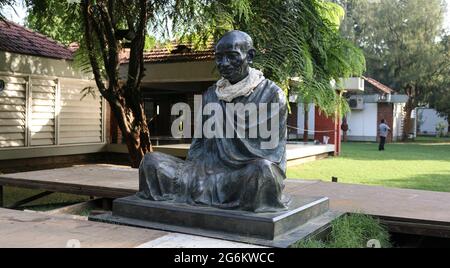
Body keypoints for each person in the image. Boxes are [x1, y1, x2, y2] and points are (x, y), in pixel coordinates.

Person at [137, 30, 290, 213]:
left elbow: (270, 154)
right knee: (151, 162)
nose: (224, 64)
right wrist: (199, 170)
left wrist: (224, 168)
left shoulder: (271, 95)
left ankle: (206, 194)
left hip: (242, 174)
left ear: (249, 56)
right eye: (219, 58)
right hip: (205, 172)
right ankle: (205, 193)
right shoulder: (212, 94)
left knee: (263, 172)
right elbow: (199, 146)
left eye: (232, 56)